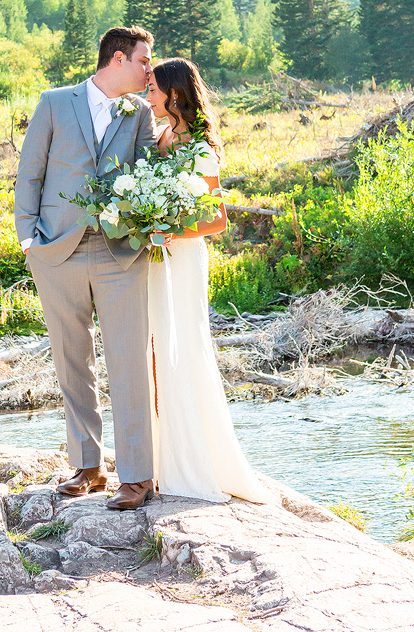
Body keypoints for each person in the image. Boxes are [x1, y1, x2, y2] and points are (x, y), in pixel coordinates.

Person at [14, 26, 157, 511]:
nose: (148, 69)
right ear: (117, 59)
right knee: (71, 358)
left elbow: (146, 173)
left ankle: (136, 477)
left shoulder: (138, 113)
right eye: (143, 60)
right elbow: (30, 170)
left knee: (128, 361)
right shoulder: (55, 103)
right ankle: (87, 467)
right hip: (58, 251)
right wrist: (29, 238)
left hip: (121, 253)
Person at [145, 58, 271, 504]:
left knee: (185, 352)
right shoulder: (160, 136)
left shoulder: (198, 148)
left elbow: (216, 220)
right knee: (156, 354)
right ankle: (159, 462)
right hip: (155, 257)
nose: (148, 96)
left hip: (182, 257)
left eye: (154, 89)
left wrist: (167, 231)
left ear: (174, 95)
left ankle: (194, 466)